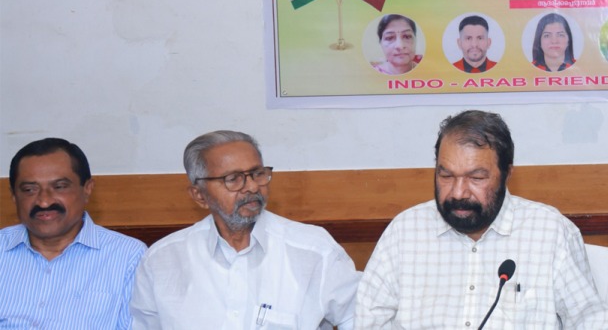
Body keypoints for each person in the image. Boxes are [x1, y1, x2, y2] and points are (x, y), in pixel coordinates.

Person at [355, 110, 608, 329]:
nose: (458, 193)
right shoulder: (404, 232)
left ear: (507, 174)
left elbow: (590, 323)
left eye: (476, 178)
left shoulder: (549, 232)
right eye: (446, 176)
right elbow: (370, 322)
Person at [130, 130, 358, 329]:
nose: (251, 187)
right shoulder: (162, 261)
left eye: (257, 174)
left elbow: (361, 318)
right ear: (199, 196)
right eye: (233, 179)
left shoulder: (313, 250)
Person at [1, 138, 146, 328]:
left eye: (59, 187)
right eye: (29, 190)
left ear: (87, 190)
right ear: (13, 195)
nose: (44, 201)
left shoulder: (128, 256)